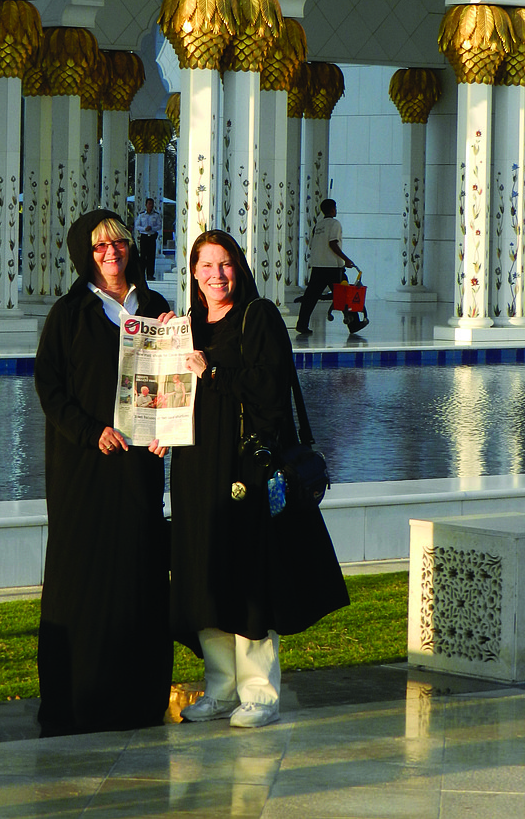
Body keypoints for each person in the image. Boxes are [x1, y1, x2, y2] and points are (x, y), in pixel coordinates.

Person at [168, 230, 349, 728]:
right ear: (193, 272)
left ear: (239, 267)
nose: (216, 275)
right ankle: (221, 689)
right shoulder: (188, 325)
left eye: (224, 264)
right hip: (194, 468)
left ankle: (259, 694)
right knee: (207, 577)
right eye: (205, 266)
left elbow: (270, 389)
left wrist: (214, 375)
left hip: (244, 466)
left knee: (247, 578)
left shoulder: (258, 316)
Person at [34, 209, 173, 736]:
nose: (111, 254)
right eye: (99, 248)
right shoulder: (69, 315)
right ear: (84, 255)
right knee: (84, 574)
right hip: (84, 469)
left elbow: (174, 387)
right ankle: (79, 696)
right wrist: (91, 431)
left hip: (138, 467)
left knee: (138, 569)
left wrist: (167, 427)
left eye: (118, 244)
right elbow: (50, 388)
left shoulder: (155, 309)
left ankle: (139, 694)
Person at [296, 199, 358, 335]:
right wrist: (346, 260)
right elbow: (333, 243)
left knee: (310, 297)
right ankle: (354, 324)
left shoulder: (318, 225)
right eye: (335, 208)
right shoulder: (335, 224)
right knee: (345, 295)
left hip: (318, 266)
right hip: (333, 268)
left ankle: (302, 324)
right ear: (332, 209)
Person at [134, 197, 163, 279]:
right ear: (146, 205)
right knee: (143, 256)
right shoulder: (141, 215)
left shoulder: (156, 215)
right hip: (144, 237)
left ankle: (150, 274)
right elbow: (137, 226)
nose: (151, 205)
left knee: (151, 256)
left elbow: (159, 225)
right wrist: (144, 229)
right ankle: (142, 274)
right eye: (149, 204)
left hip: (152, 237)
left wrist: (152, 228)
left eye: (152, 204)